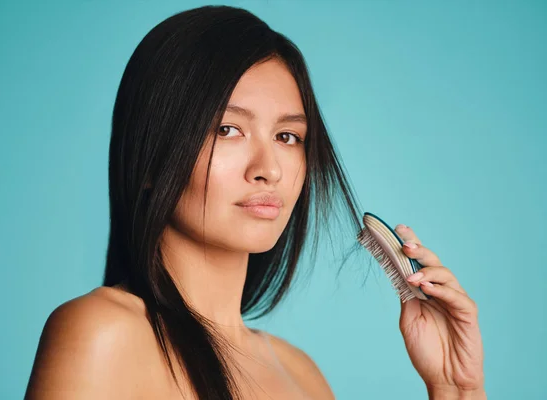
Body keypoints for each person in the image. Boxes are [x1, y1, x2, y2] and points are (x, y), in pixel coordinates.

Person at [24, 5, 485, 399]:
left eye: (288, 136)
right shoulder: (101, 332)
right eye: (228, 129)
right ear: (149, 157)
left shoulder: (302, 375)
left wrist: (455, 389)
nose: (270, 168)